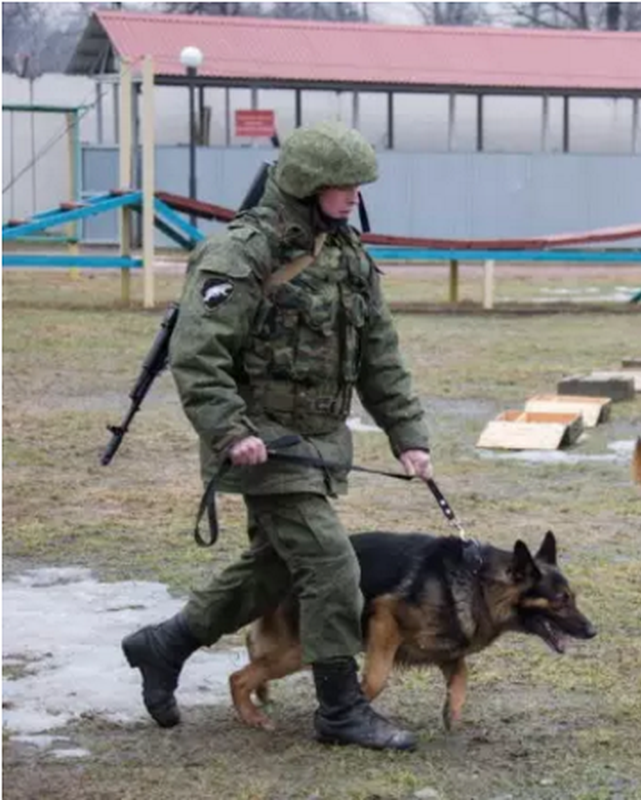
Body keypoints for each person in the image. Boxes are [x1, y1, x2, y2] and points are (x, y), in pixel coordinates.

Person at [122, 120, 430, 751]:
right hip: (260, 442)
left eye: (356, 186)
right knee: (330, 565)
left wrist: (407, 432)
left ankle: (165, 644)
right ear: (304, 184)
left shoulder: (347, 254)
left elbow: (380, 354)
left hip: (317, 446)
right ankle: (341, 709)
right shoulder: (243, 252)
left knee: (272, 573)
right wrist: (232, 431)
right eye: (340, 186)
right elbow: (198, 354)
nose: (352, 197)